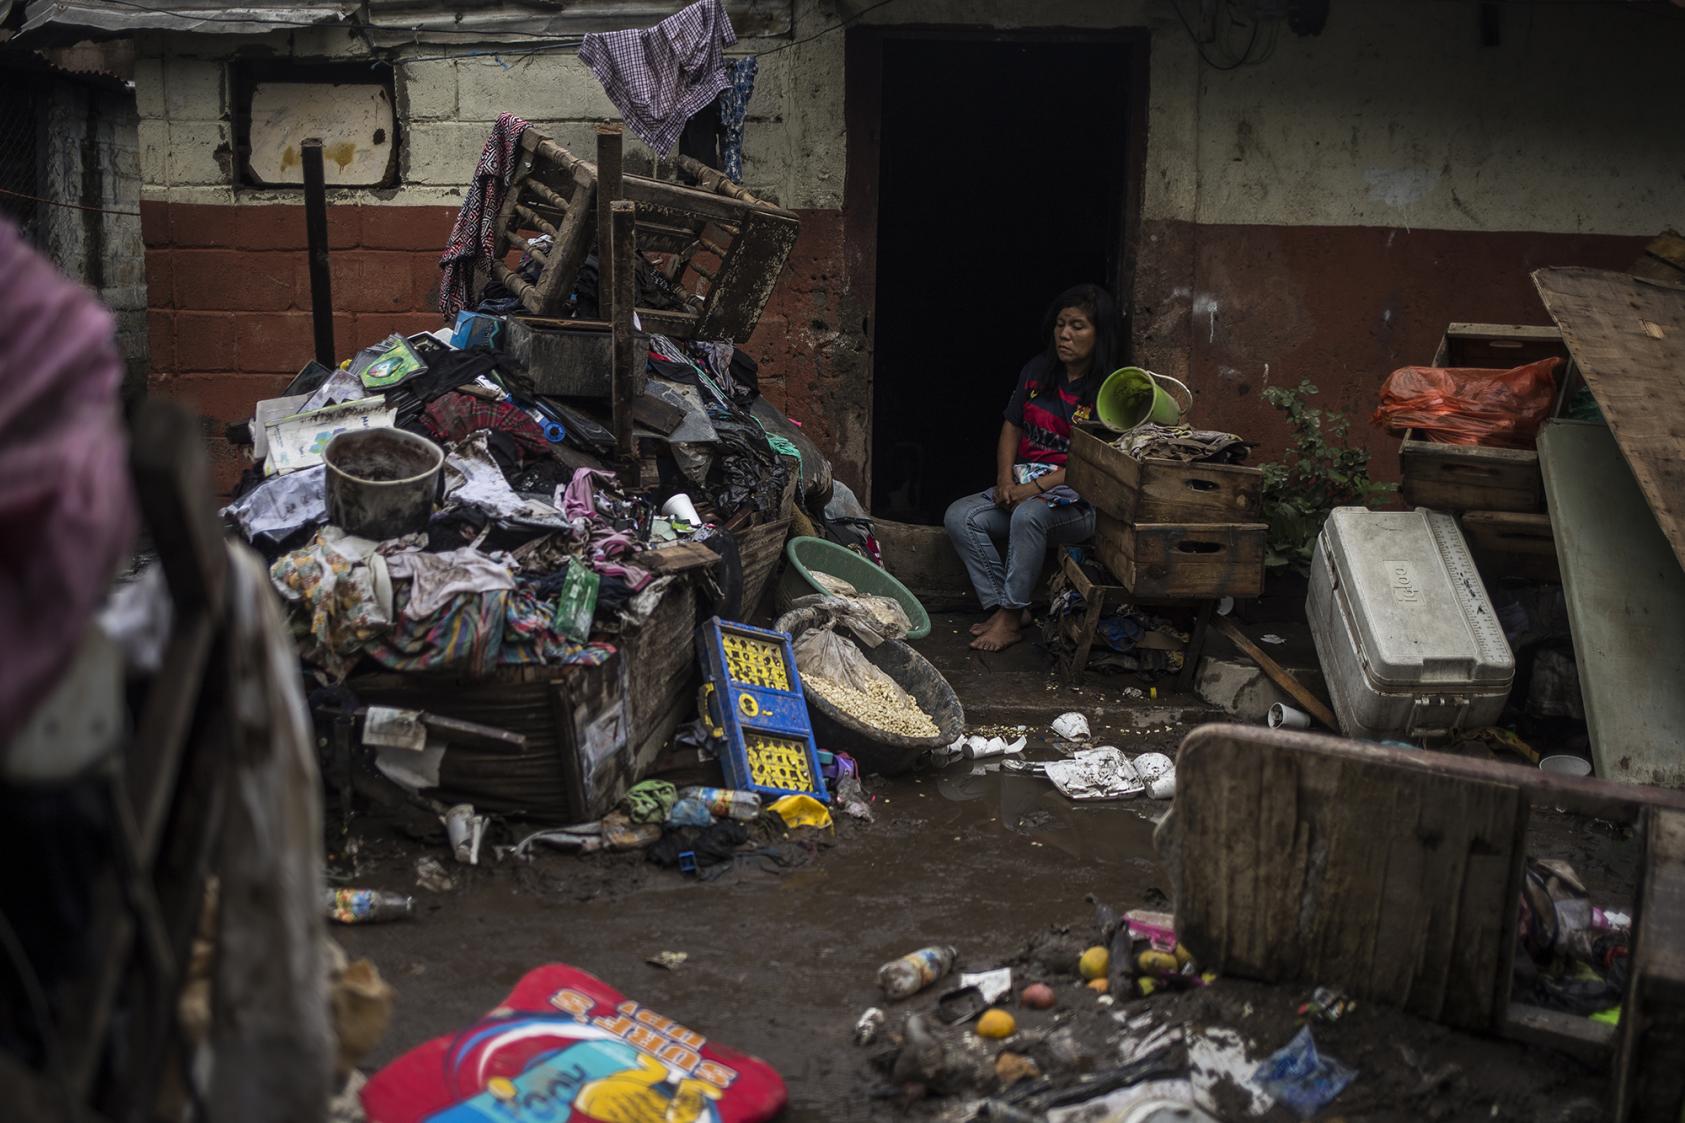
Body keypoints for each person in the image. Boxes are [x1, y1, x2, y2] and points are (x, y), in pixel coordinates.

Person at [943, 284, 1124, 652]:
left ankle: (1010, 617)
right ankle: (1002, 606)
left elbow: (1091, 464)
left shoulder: (1108, 391)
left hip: (1078, 507)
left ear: (1099, 334)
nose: (1065, 334)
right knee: (960, 516)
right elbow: (1012, 426)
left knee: (1028, 516)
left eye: (1078, 326)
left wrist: (1034, 490)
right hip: (1025, 488)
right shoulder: (1038, 371)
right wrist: (1004, 478)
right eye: (1061, 324)